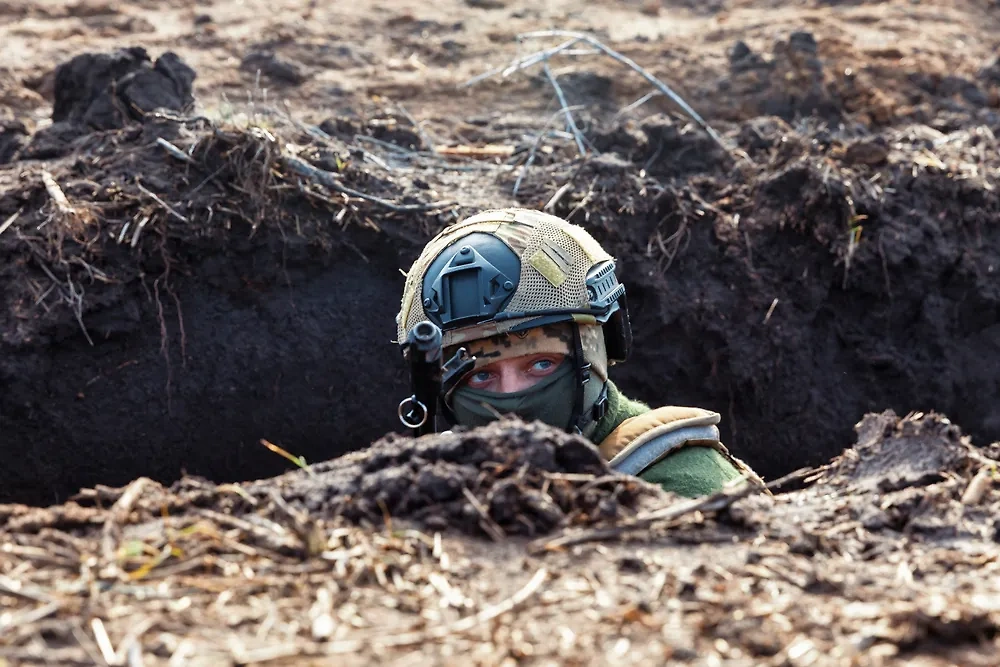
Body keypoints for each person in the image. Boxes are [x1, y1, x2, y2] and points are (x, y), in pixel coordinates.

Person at [395, 207, 762, 497]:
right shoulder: (442, 475)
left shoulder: (680, 483)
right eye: (481, 375)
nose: (508, 403)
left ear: (594, 356)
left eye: (540, 364)